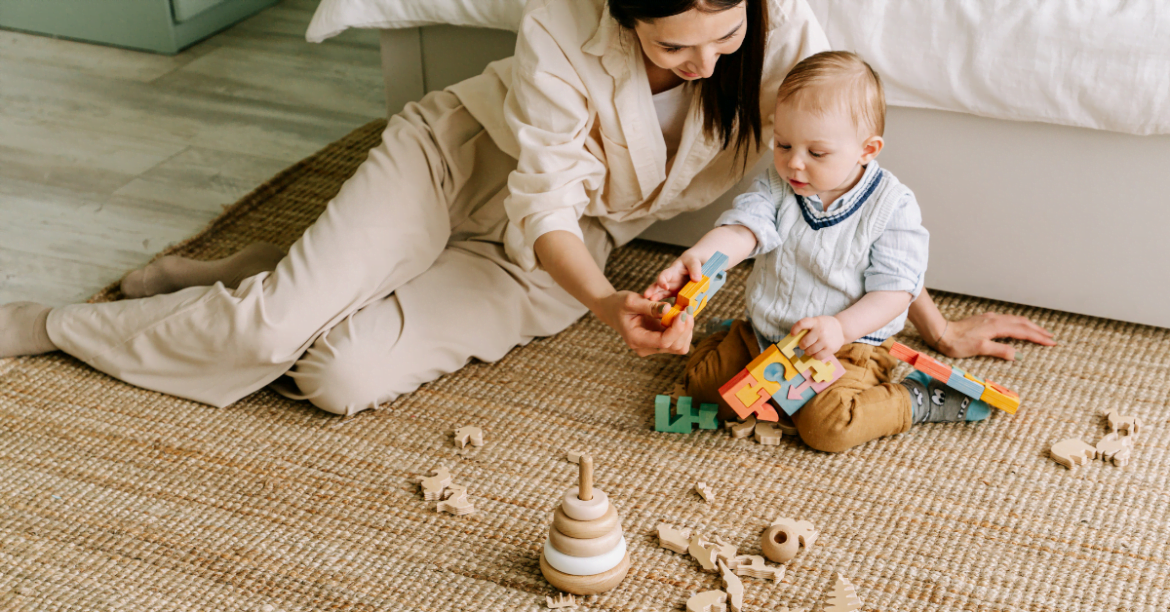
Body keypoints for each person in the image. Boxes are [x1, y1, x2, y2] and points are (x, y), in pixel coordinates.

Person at [0, 1, 1051, 418]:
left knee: (335, 378)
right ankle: (53, 325)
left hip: (567, 245)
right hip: (461, 169)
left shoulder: (789, 46)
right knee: (271, 331)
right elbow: (540, 195)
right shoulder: (559, 25)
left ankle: (271, 272)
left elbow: (843, 215)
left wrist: (937, 328)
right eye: (674, 44)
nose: (706, 62)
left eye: (725, 34)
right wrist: (606, 306)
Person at [647, 51, 1055, 452]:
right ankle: (725, 335)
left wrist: (841, 329)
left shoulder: (891, 206)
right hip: (765, 334)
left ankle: (915, 400)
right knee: (703, 389)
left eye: (816, 153)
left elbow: (896, 291)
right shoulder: (776, 185)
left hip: (850, 345)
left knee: (828, 427)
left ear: (867, 150)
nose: (794, 164)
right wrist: (700, 256)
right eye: (783, 144)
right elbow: (744, 230)